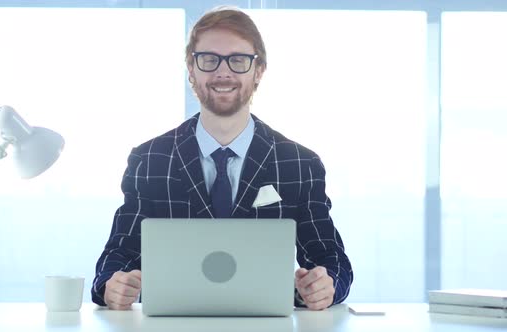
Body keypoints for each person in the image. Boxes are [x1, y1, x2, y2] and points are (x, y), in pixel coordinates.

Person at [91, 6, 353, 311]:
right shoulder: (150, 159)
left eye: (238, 60)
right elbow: (119, 253)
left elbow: (330, 258)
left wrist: (326, 284)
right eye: (209, 59)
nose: (223, 72)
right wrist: (111, 284)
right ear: (191, 69)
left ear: (259, 71)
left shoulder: (299, 163)